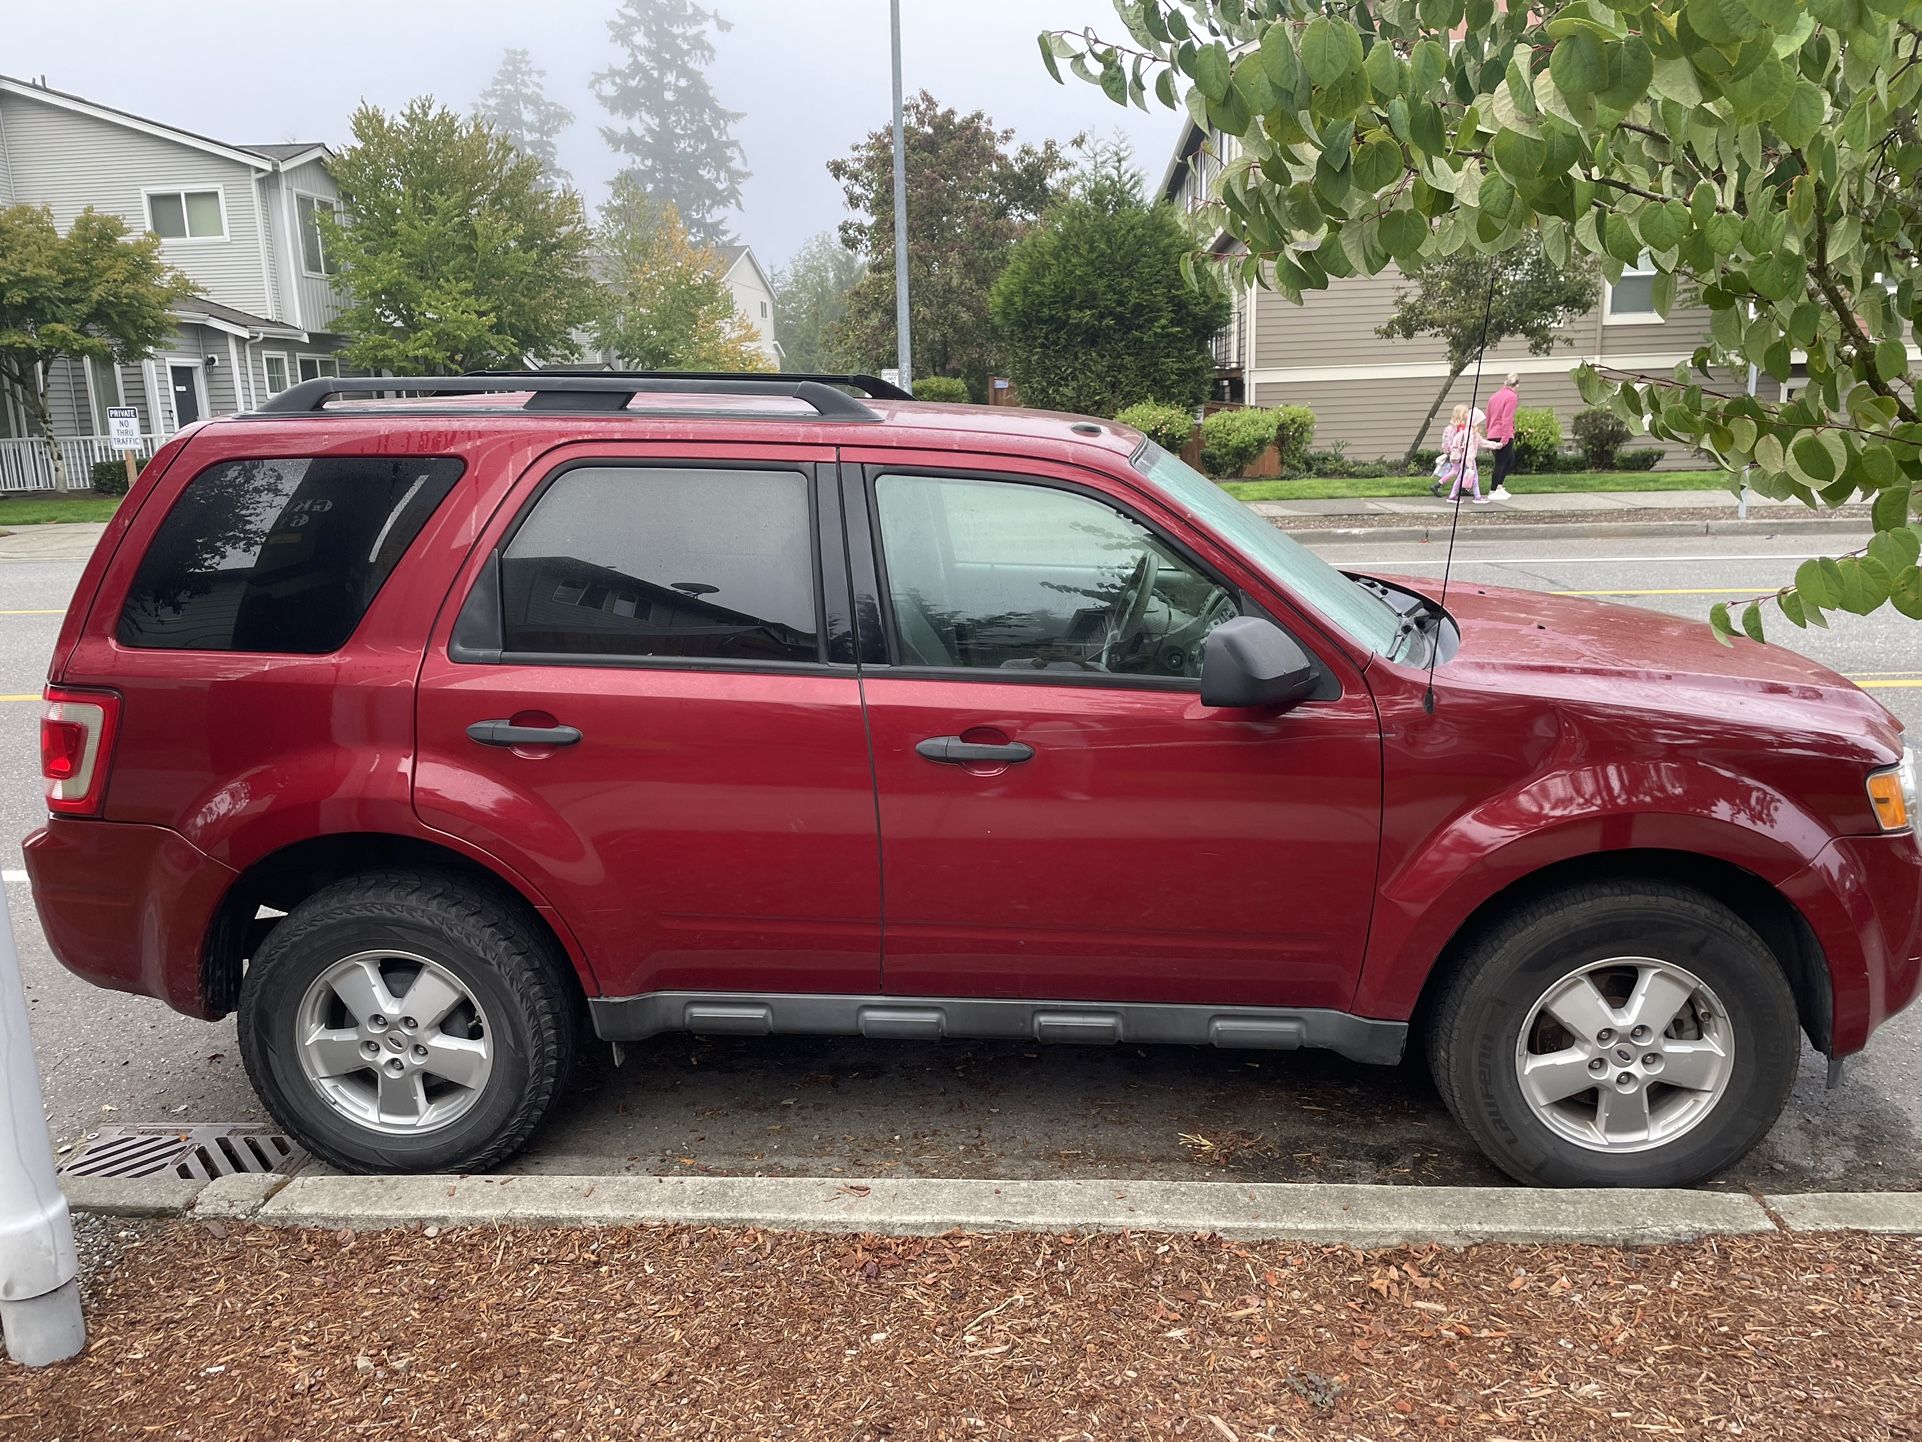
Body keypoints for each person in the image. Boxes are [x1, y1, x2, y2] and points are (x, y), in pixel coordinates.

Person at [1484, 372, 1520, 500]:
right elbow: (1507, 419)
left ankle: (1499, 486)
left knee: (1509, 460)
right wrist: (1505, 438)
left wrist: (1488, 432)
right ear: (1517, 385)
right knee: (1501, 462)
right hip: (1503, 433)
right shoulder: (1511, 397)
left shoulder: (1493, 397)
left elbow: (1488, 417)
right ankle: (1493, 490)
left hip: (1493, 433)